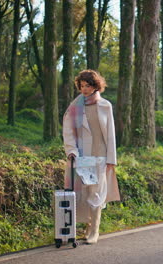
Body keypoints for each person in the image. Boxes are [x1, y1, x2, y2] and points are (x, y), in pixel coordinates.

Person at [62, 70, 120, 244]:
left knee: (96, 191)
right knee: (84, 191)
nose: (84, 89)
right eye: (82, 86)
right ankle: (87, 226)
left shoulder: (105, 106)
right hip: (82, 155)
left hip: (100, 156)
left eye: (88, 85)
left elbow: (110, 134)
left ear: (96, 86)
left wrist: (112, 158)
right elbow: (68, 130)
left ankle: (94, 230)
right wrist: (71, 150)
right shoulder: (74, 107)